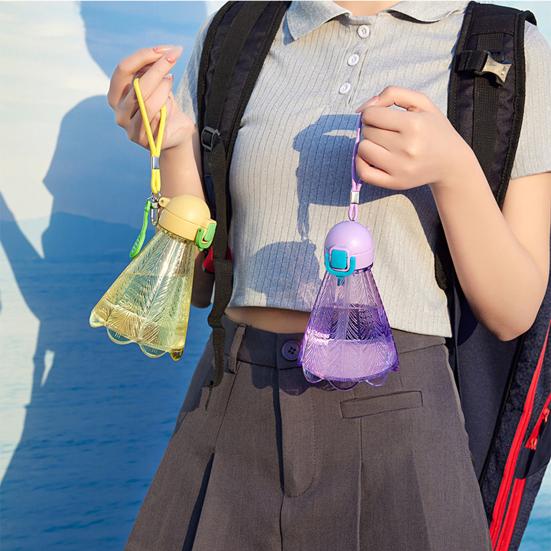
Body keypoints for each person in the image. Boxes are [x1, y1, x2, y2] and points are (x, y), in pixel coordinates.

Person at [108, 1, 551, 550]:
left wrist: (454, 171)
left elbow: (513, 311)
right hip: (231, 397)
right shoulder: (238, 30)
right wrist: (174, 144)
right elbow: (197, 285)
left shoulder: (505, 49)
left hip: (399, 417)